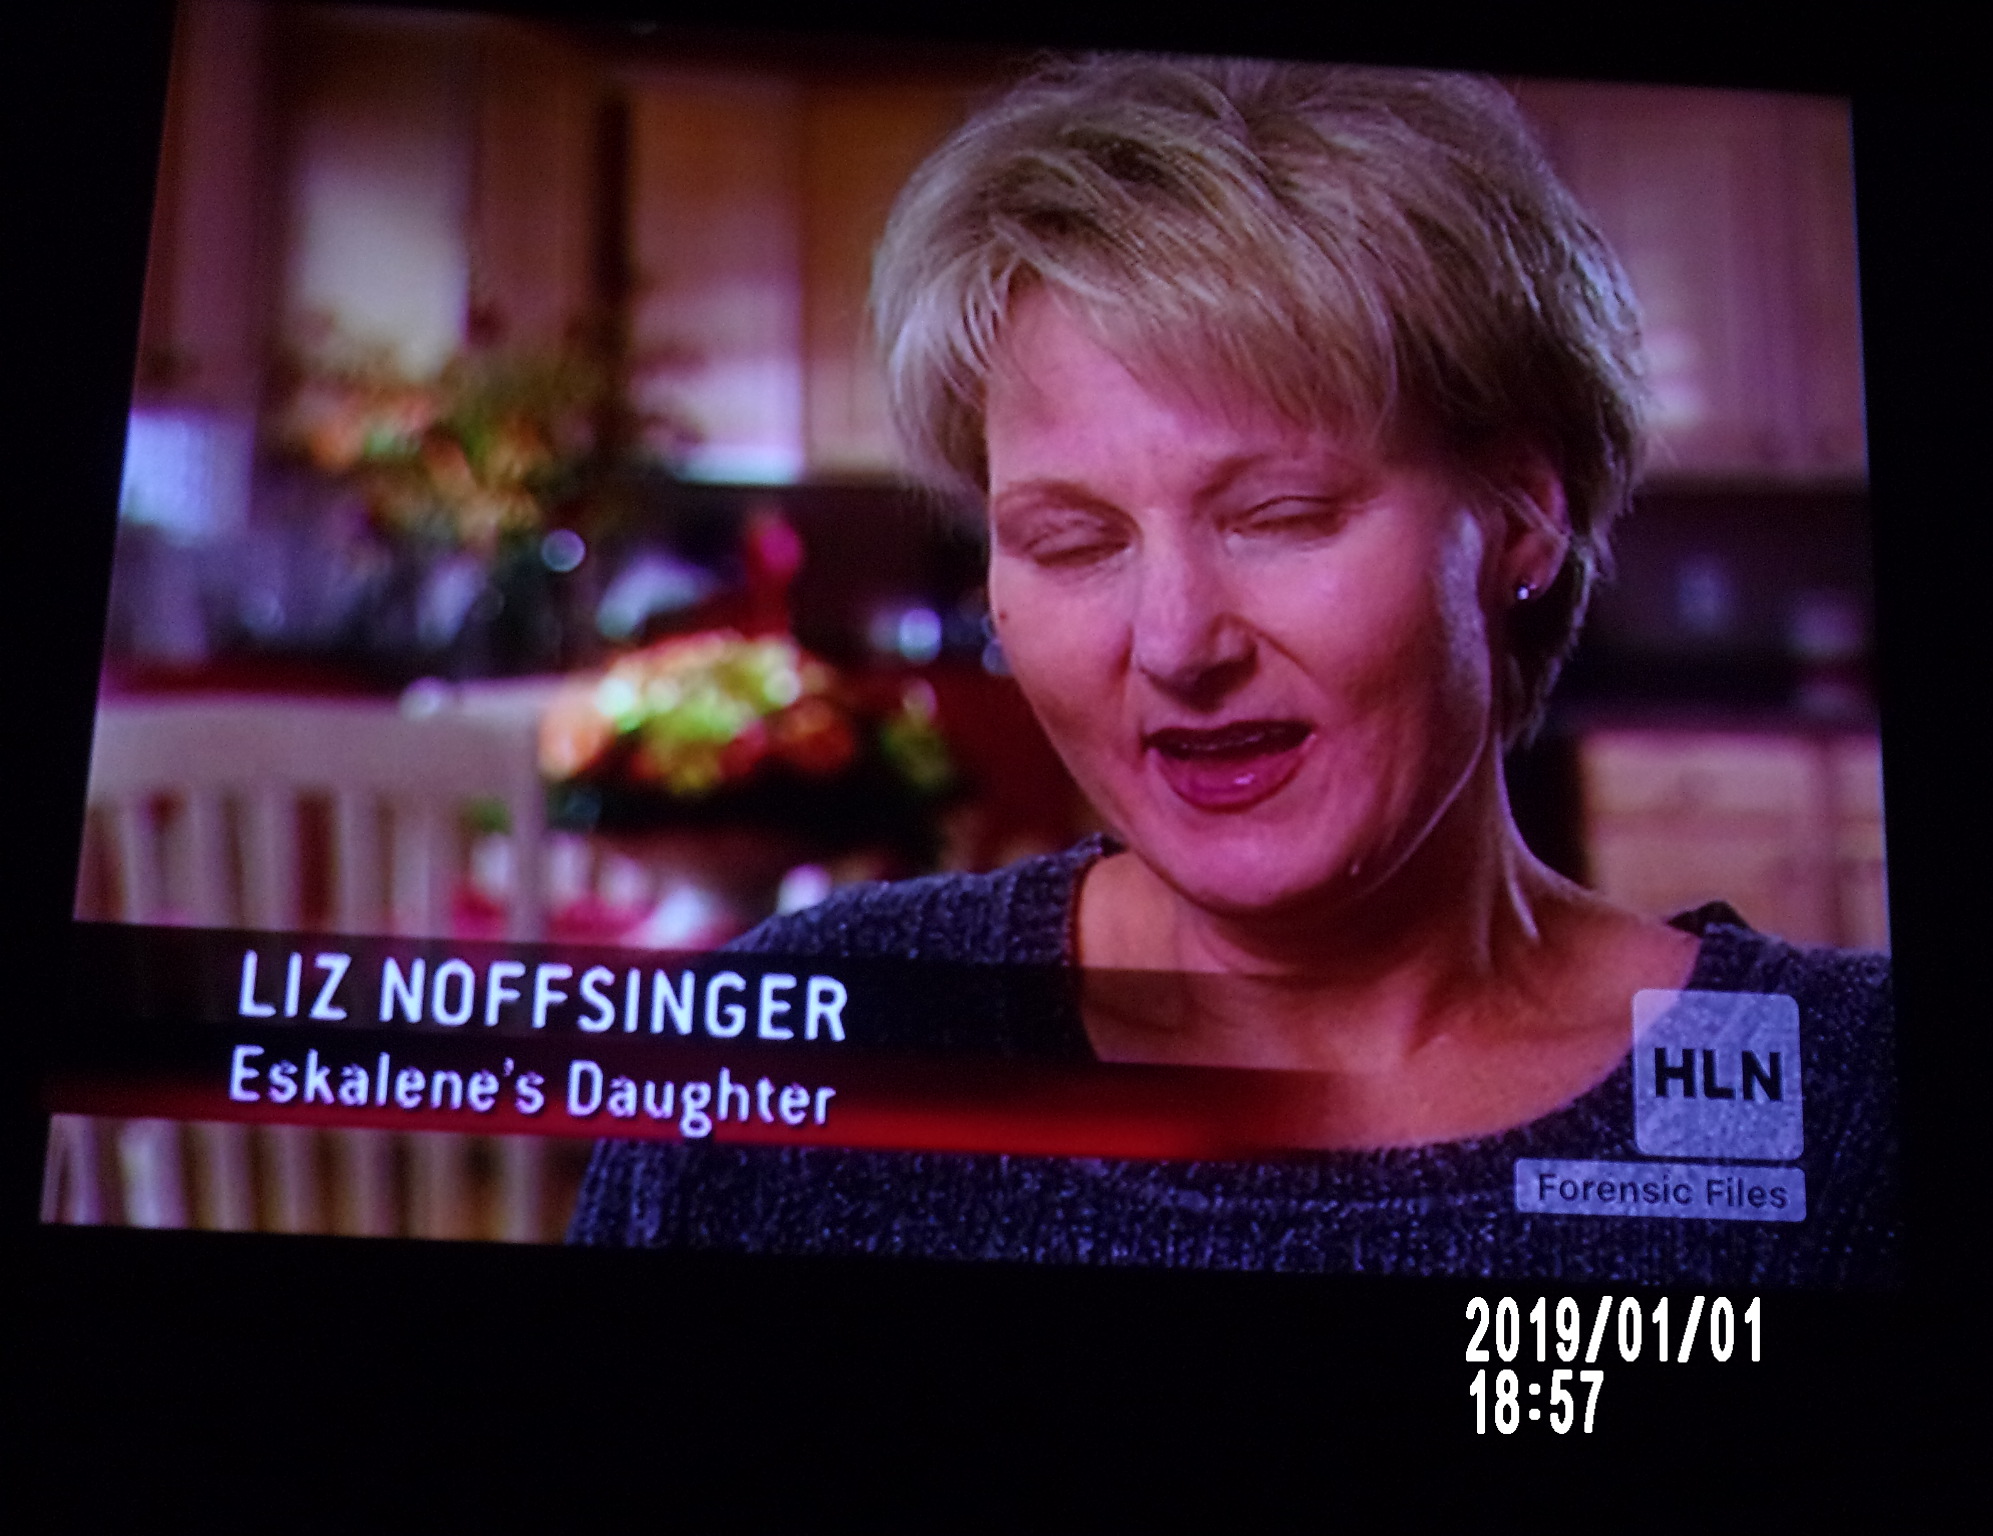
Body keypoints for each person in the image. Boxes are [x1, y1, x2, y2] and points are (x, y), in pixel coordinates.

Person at [572, 55, 1895, 1283]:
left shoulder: (1845, 1104)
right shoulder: (777, 1064)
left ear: (1520, 518)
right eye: (1073, 541)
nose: (1176, 644)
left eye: (1280, 517)